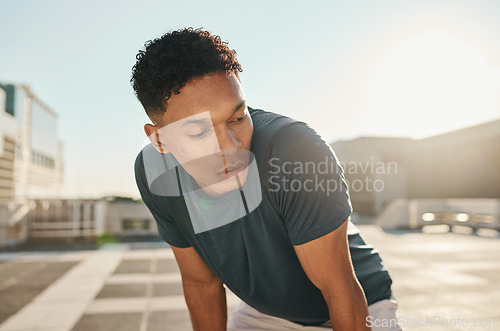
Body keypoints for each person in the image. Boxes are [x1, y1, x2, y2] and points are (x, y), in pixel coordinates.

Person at [131, 27, 402, 331]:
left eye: (237, 117)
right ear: (159, 140)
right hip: (266, 315)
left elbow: (339, 289)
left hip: (359, 305)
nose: (232, 146)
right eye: (199, 132)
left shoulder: (294, 151)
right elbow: (201, 284)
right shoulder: (154, 172)